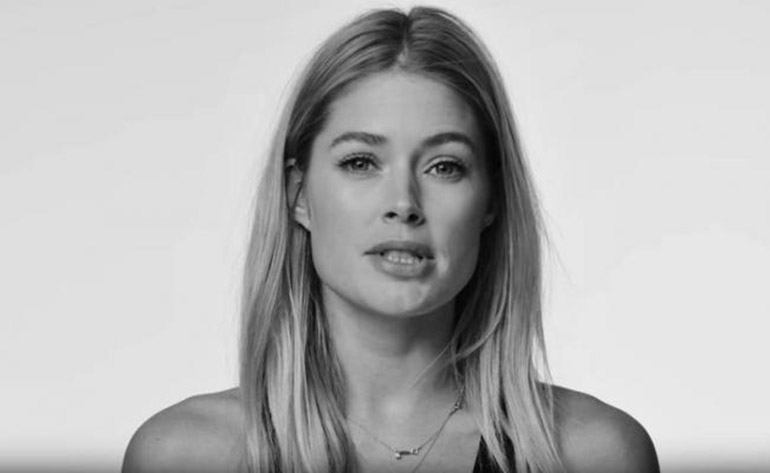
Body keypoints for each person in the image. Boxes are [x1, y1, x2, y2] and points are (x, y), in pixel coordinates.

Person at [122, 6, 659, 473]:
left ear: (491, 201)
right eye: (361, 162)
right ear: (298, 194)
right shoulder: (184, 455)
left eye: (444, 166)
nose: (403, 203)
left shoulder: (592, 455)